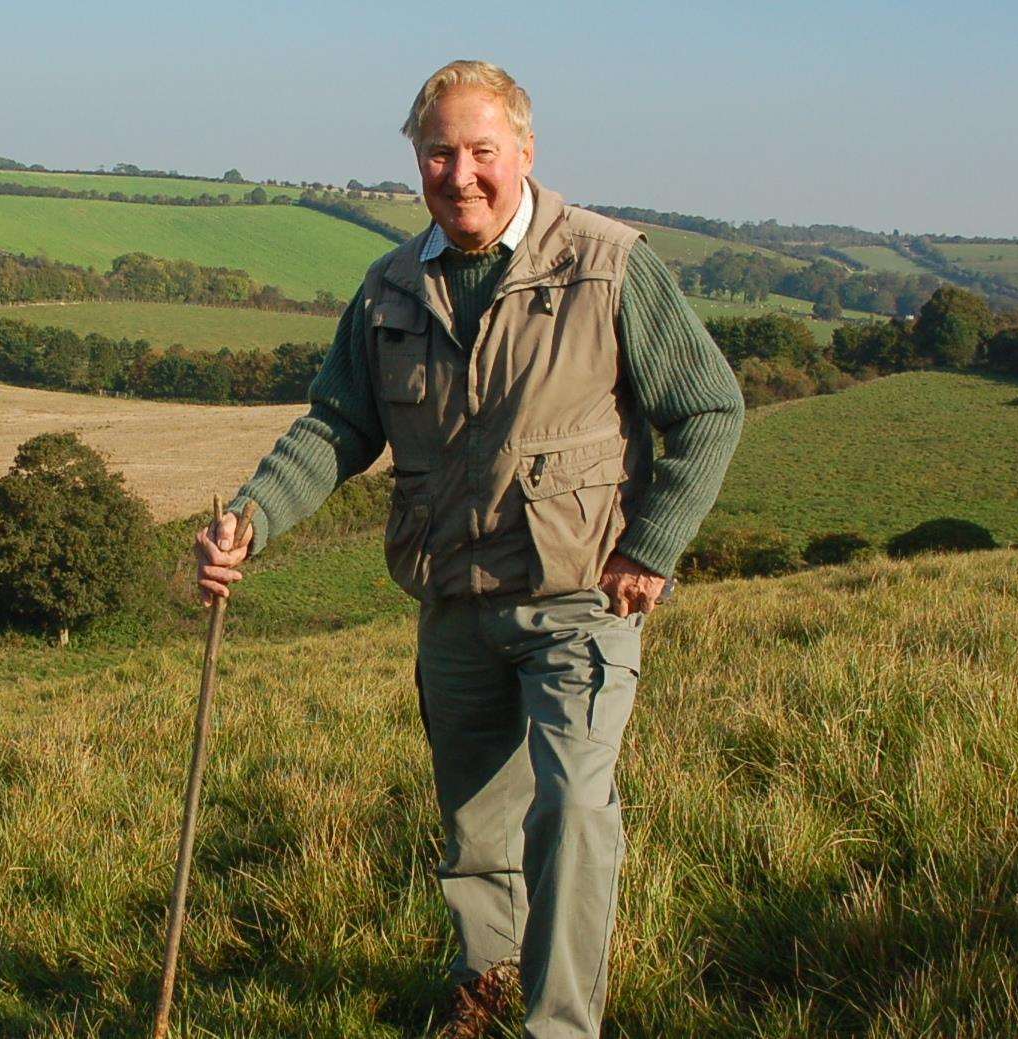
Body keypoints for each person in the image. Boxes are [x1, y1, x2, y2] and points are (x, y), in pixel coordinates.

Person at [194, 60, 745, 1038]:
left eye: (480, 151)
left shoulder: (607, 264)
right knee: (477, 830)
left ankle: (557, 1025)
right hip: (451, 599)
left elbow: (705, 408)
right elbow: (334, 427)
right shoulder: (389, 289)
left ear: (523, 153)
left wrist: (650, 547)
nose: (459, 174)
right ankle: (484, 984)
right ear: (417, 163)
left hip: (578, 597)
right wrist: (249, 516)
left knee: (571, 811)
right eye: (438, 153)